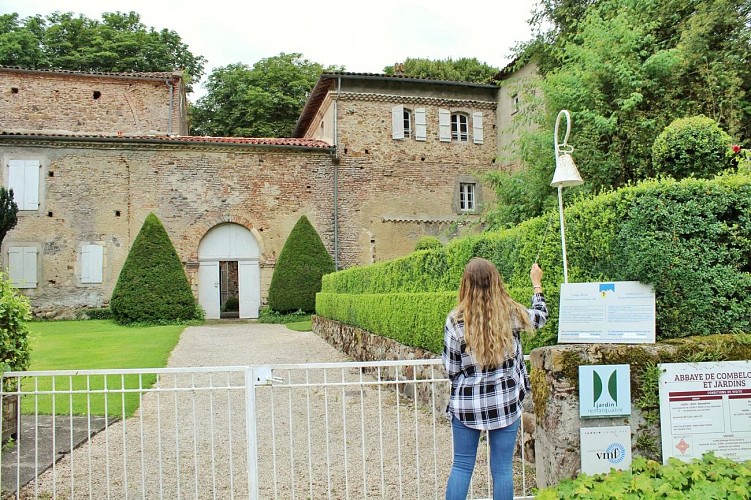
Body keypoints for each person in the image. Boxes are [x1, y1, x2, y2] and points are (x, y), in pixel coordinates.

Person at [443, 258, 548, 500]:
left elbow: (451, 368)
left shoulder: (455, 320)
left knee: (461, 467)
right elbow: (540, 317)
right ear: (496, 281)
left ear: (465, 284)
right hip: (505, 401)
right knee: (502, 471)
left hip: (467, 404)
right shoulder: (510, 313)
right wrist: (537, 284)